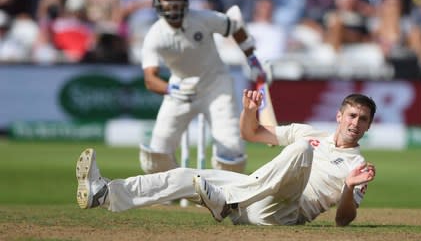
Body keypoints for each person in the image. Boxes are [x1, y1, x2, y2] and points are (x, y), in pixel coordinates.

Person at [75, 89, 377, 226]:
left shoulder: (358, 167)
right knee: (186, 175)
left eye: (363, 119)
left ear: (368, 125)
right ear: (339, 115)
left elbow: (343, 220)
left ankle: (226, 202)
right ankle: (104, 194)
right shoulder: (309, 132)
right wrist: (249, 111)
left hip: (284, 213)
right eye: (352, 115)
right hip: (252, 196)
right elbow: (252, 133)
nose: (355, 123)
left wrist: (349, 188)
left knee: (301, 151)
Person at [138, 0, 267, 174]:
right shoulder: (155, 36)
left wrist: (251, 57)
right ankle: (170, 191)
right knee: (156, 156)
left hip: (216, 86)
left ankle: (223, 196)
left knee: (231, 152)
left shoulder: (202, 19)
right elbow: (149, 79)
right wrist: (170, 89)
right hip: (180, 90)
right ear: (157, 0)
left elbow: (234, 25)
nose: (173, 3)